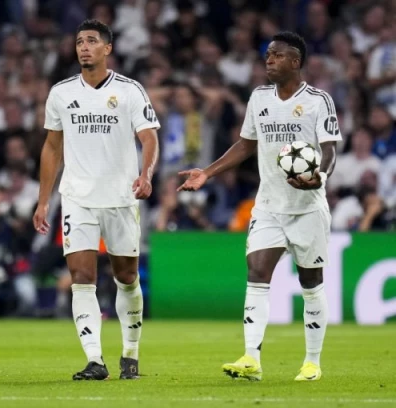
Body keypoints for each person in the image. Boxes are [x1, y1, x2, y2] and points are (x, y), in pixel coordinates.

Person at [178, 32, 341, 382]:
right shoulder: (259, 98)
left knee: (311, 282)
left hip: (307, 207)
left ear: (295, 61)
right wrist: (207, 172)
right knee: (257, 272)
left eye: (277, 55)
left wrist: (320, 176)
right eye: (268, 54)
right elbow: (245, 144)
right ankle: (251, 359)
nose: (269, 60)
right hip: (268, 206)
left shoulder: (318, 100)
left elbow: (329, 149)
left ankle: (312, 362)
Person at [33, 19, 160, 381]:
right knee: (81, 276)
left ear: (108, 48)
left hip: (121, 197)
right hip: (77, 197)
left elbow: (149, 138)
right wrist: (43, 200)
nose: (84, 47)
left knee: (127, 277)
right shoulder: (61, 93)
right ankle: (94, 360)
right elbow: (52, 147)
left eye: (91, 41)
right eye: (79, 42)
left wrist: (146, 175)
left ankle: (130, 354)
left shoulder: (130, 90)